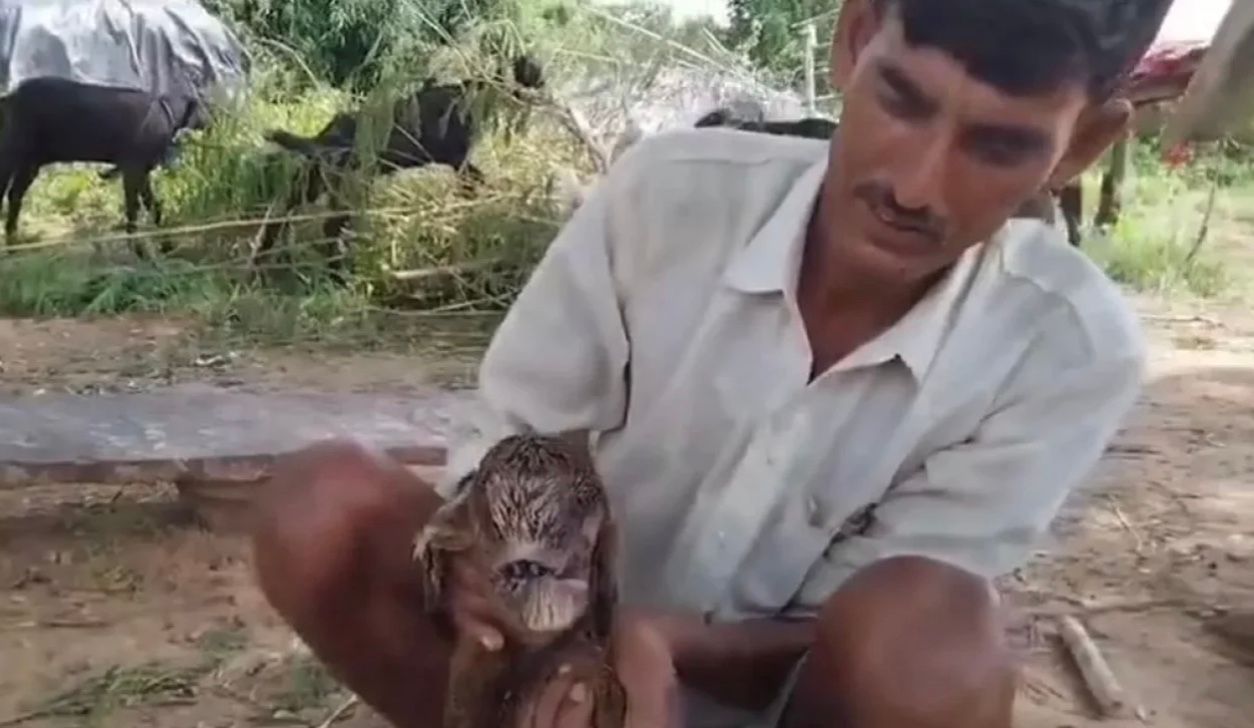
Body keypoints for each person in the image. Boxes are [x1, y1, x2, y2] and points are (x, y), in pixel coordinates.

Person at [250, 1, 1174, 726]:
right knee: (322, 504)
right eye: (903, 99)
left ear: (1083, 144)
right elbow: (526, 445)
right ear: (856, 37)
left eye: (999, 145)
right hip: (549, 662)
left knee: (938, 650)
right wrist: (528, 594)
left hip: (791, 709)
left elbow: (879, 626)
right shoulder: (666, 198)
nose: (914, 186)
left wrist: (664, 646)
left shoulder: (1067, 351)